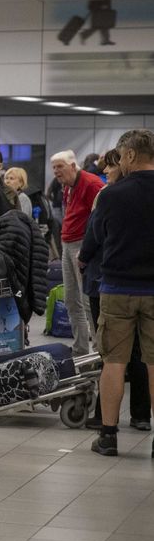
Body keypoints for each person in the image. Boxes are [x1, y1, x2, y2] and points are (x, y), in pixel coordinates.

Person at [79, 130, 154, 458]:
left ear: (132, 157)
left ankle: (108, 435)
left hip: (117, 289)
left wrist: (83, 260)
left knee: (113, 361)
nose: (119, 162)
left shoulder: (110, 195)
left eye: (121, 156)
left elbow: (95, 238)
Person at [52, 149, 104, 356]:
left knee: (87, 302)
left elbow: (101, 216)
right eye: (54, 167)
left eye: (60, 166)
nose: (56, 171)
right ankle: (80, 350)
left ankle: (99, 351)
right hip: (67, 244)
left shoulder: (91, 184)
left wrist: (88, 249)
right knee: (71, 300)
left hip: (82, 246)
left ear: (73, 166)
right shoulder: (67, 186)